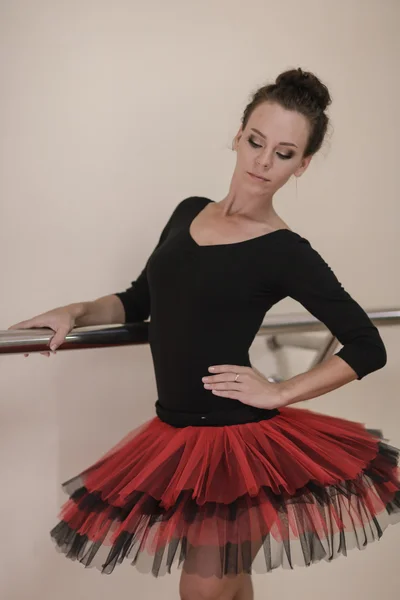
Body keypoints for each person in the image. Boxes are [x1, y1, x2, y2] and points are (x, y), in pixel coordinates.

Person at [9, 68, 400, 600]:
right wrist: (74, 312)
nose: (263, 161)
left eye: (284, 153)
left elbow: (366, 345)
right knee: (228, 588)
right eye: (256, 142)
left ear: (302, 165)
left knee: (202, 592)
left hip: (238, 442)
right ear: (238, 136)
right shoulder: (188, 212)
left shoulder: (285, 250)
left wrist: (279, 391)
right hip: (176, 437)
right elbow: (139, 300)